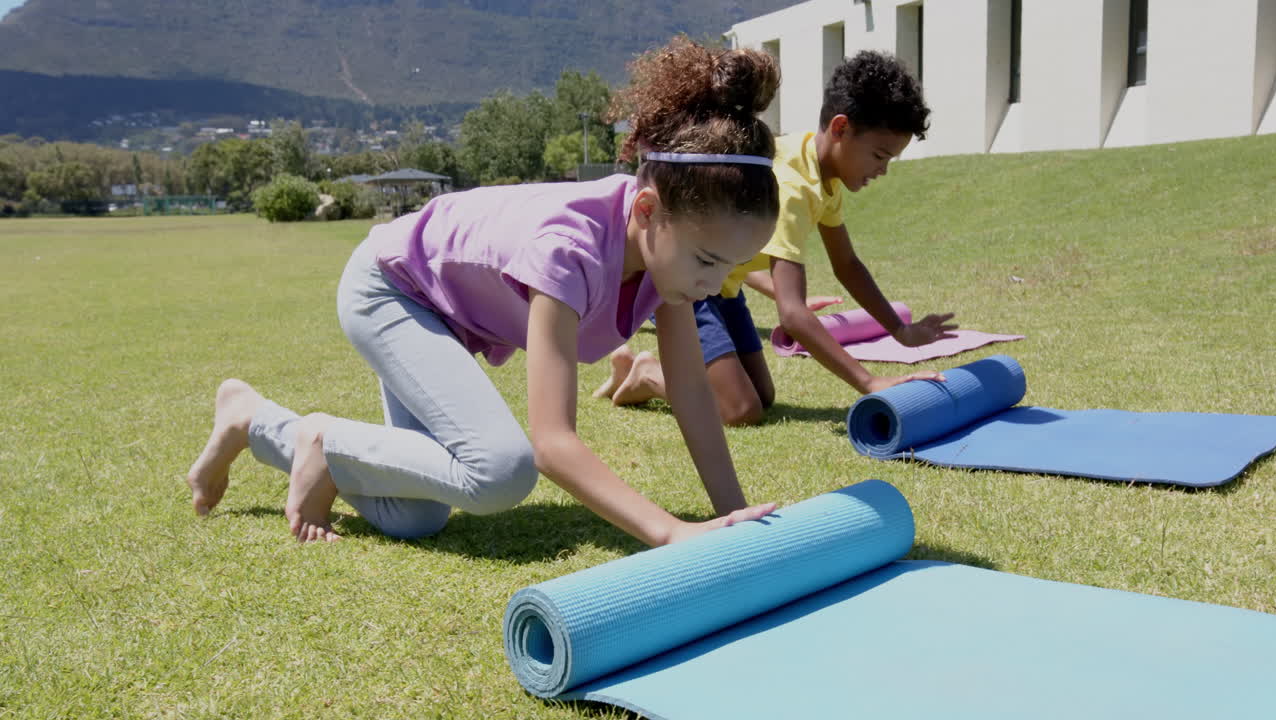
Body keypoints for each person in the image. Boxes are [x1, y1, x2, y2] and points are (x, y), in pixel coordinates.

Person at [185, 37, 781, 545]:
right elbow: (551, 442)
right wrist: (670, 531)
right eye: (707, 261)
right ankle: (324, 436)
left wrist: (733, 514)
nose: (712, 283)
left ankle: (254, 421)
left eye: (731, 264)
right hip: (393, 289)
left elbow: (691, 392)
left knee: (412, 516)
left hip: (449, 316)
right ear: (648, 210)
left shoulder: (674, 262)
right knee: (501, 471)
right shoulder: (569, 249)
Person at [598, 50, 957, 426]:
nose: (882, 170)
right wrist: (869, 382)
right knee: (740, 409)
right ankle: (649, 376)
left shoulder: (821, 175)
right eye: (879, 155)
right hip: (689, 279)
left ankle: (652, 373)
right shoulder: (792, 187)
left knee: (763, 395)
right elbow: (792, 314)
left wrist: (899, 329)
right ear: (840, 128)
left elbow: (847, 265)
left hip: (723, 287)